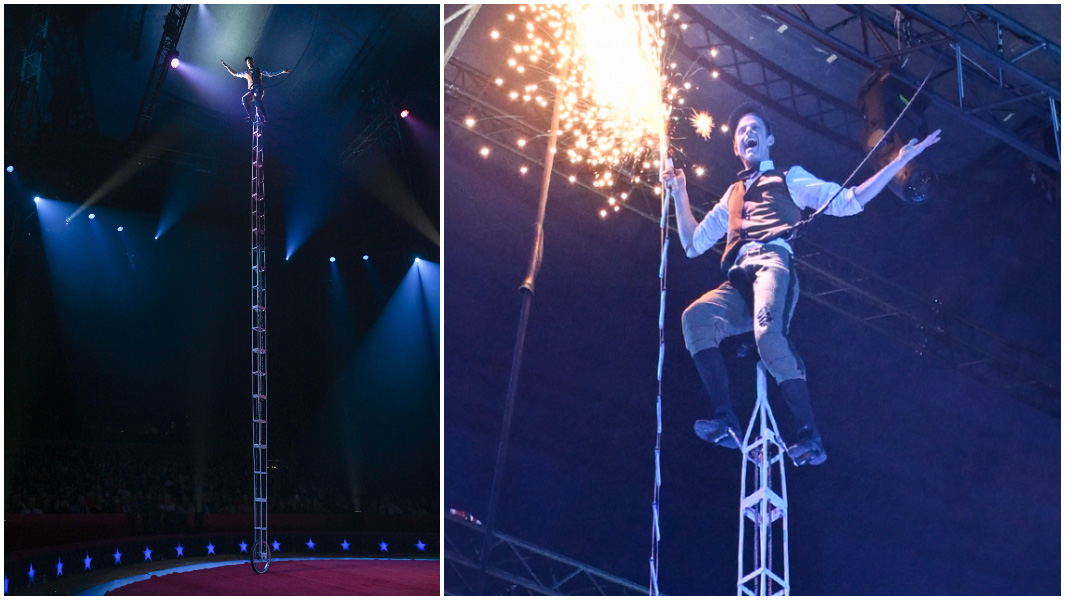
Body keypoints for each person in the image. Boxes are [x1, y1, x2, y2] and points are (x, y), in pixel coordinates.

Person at [661, 102, 940, 466]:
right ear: (734, 146)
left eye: (754, 128)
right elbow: (692, 243)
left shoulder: (789, 177)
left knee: (768, 338)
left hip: (773, 264)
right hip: (739, 275)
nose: (747, 133)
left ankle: (810, 437)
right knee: (694, 318)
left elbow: (849, 201)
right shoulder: (730, 196)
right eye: (741, 131)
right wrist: (679, 192)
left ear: (770, 139)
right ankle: (725, 419)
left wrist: (897, 163)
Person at [221, 56, 290, 123]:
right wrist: (226, 66)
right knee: (244, 99)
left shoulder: (258, 69)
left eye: (250, 62)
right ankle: (250, 116)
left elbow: (270, 74)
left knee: (257, 99)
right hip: (252, 90)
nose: (249, 63)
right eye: (248, 62)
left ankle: (265, 118)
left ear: (253, 62)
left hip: (259, 89)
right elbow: (235, 73)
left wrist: (282, 71)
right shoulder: (246, 73)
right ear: (247, 64)